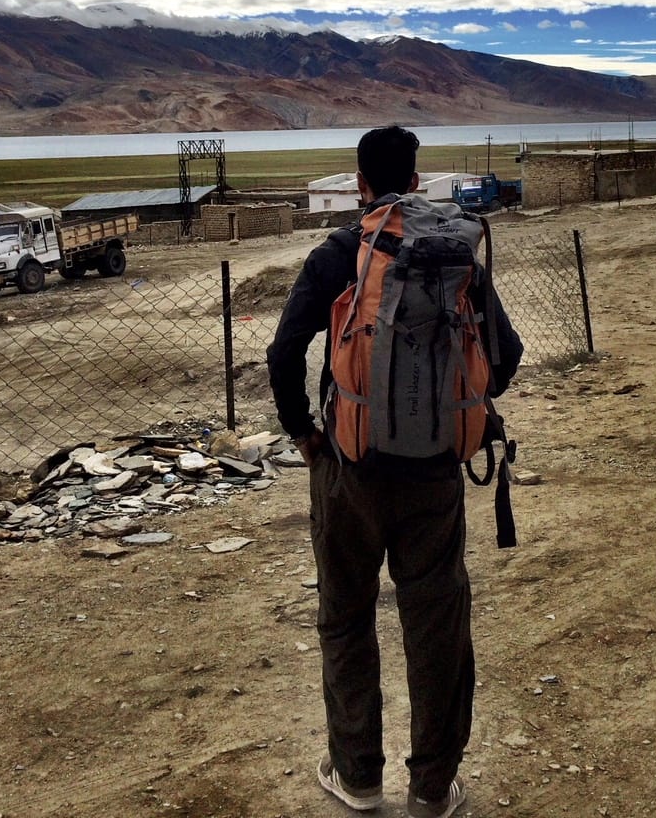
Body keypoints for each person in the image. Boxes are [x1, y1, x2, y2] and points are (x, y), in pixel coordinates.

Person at [266, 125, 523, 817]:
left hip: (349, 469)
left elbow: (283, 352)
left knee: (346, 619)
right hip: (435, 474)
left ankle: (359, 778)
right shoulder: (450, 255)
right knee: (436, 625)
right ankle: (433, 790)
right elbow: (508, 356)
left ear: (360, 184)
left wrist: (304, 434)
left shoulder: (338, 254)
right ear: (415, 182)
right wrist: (453, 408)